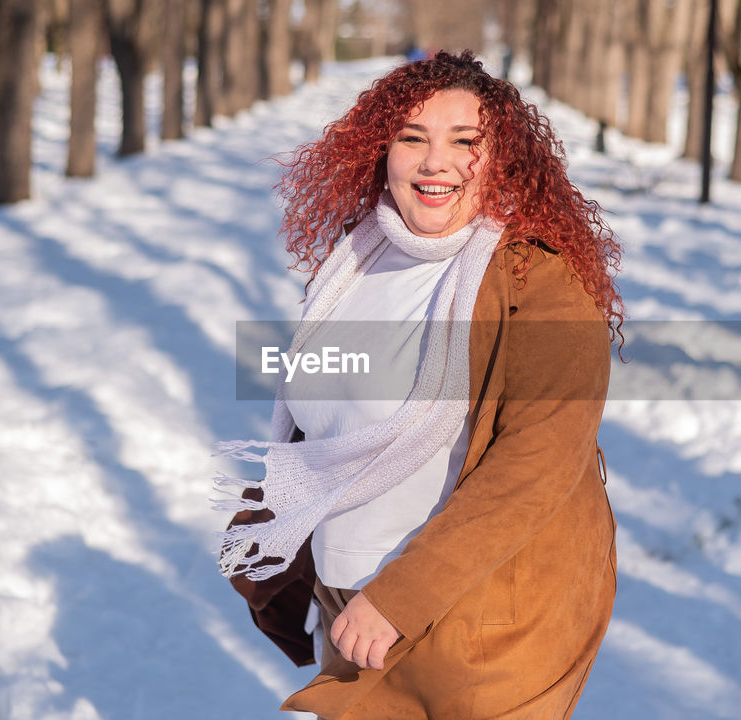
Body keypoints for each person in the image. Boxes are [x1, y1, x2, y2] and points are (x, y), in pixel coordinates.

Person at [213, 51, 624, 719]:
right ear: (382, 151)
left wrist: (400, 597)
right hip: (348, 609)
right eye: (413, 138)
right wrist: (272, 526)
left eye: (466, 143)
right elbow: (318, 419)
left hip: (476, 624)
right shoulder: (357, 261)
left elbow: (537, 463)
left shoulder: (539, 286)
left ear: (504, 160)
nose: (436, 164)